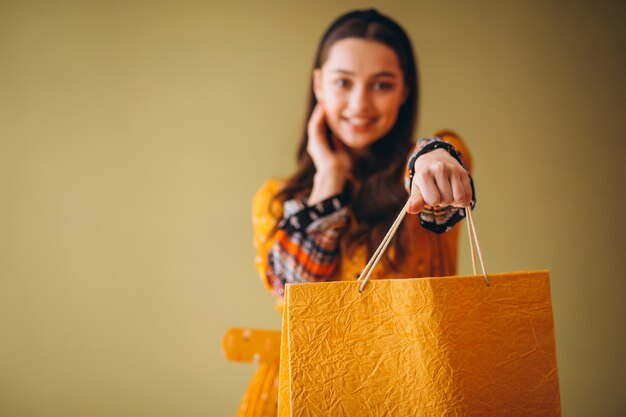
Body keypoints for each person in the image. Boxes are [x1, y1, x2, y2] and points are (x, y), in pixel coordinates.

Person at [237, 8, 475, 417]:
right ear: (318, 85)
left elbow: (426, 174)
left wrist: (432, 156)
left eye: (382, 85)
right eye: (343, 82)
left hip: (409, 387)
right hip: (300, 390)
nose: (360, 103)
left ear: (405, 91)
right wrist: (329, 178)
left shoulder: (430, 165)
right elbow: (292, 288)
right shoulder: (277, 200)